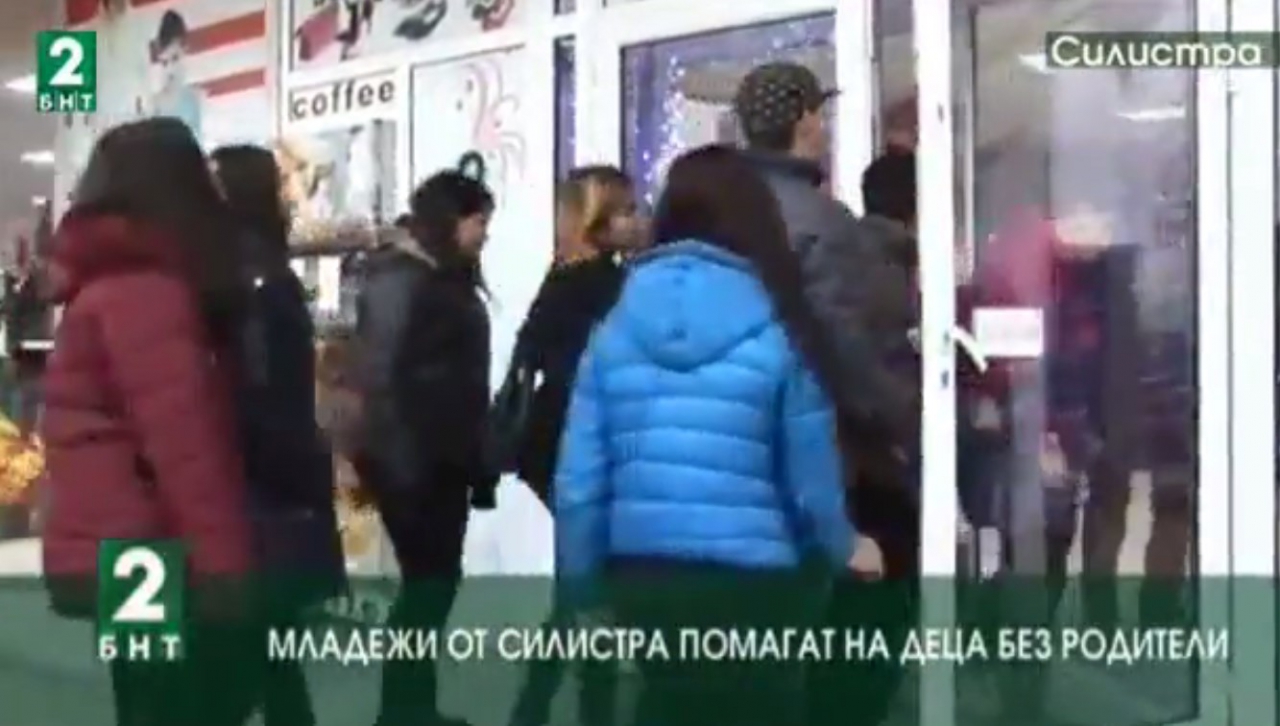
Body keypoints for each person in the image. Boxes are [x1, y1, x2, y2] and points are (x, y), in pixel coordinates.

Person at [554, 145, 881, 726]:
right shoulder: (776, 329)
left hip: (645, 573)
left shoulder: (613, 330)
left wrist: (583, 583)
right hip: (755, 581)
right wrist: (845, 546)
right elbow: (810, 473)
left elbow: (580, 479)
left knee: (667, 706)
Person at [40, 117, 256, 726]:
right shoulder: (146, 293)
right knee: (178, 706)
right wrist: (228, 574)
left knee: (145, 703)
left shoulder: (104, 285)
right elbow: (186, 449)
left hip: (120, 546)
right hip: (150, 546)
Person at [353, 170, 499, 726]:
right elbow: (381, 378)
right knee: (428, 589)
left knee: (432, 587)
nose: (485, 233)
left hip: (438, 459)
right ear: (450, 220)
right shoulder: (404, 280)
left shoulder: (436, 276)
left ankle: (412, 707)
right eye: (478, 221)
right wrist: (404, 467)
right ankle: (403, 711)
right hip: (416, 463)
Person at [211, 144, 345, 726]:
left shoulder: (250, 280)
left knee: (255, 657)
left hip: (256, 490)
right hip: (264, 485)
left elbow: (265, 398)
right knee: (271, 658)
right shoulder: (253, 274)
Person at [505, 166, 641, 726]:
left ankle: (539, 707)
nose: (639, 219)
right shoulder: (605, 283)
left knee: (579, 588)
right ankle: (580, 707)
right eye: (627, 210)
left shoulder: (563, 275)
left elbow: (535, 353)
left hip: (552, 442)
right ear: (598, 221)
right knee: (589, 591)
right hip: (581, 443)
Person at [733, 62, 918, 475]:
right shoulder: (822, 222)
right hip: (804, 442)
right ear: (804, 121)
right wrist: (906, 415)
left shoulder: (716, 207)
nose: (825, 128)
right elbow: (847, 343)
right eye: (821, 115)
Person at [807, 149, 924, 726]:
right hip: (874, 459)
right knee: (879, 599)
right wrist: (909, 417)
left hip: (847, 457)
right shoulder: (886, 269)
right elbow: (872, 368)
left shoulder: (851, 254)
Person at [150, 10, 203, 136]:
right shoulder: (154, 105)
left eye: (175, 58)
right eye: (164, 63)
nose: (170, 69)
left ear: (185, 51)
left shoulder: (195, 99)